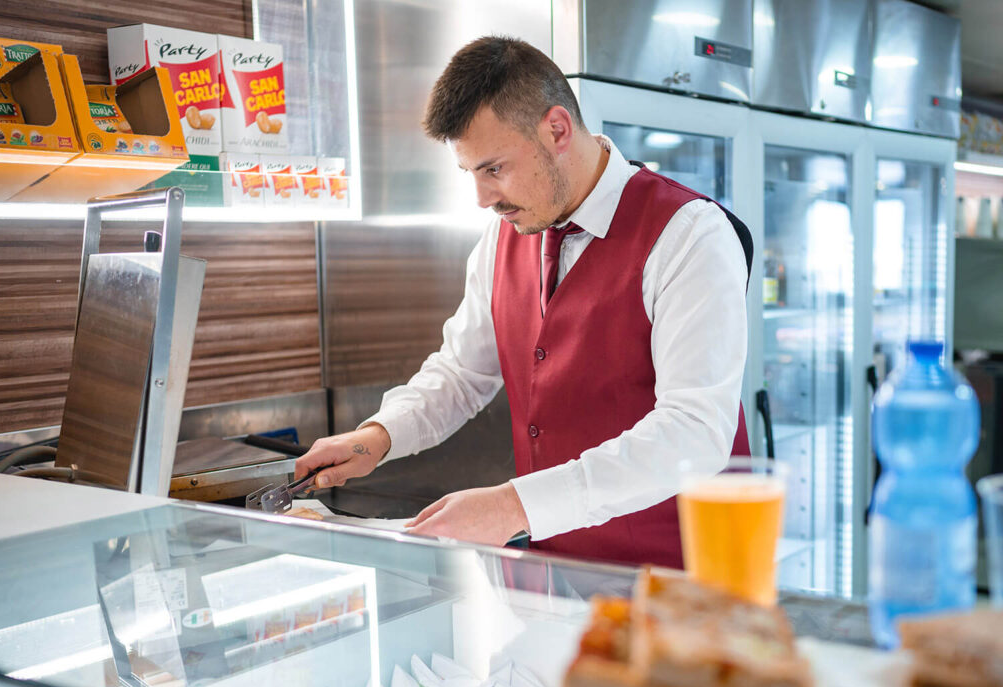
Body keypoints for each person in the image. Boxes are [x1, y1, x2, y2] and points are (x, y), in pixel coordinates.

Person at [294, 36, 751, 569]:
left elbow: (694, 433)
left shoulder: (689, 235)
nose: (483, 198)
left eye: (494, 169)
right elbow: (463, 373)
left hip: (683, 575)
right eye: (471, 174)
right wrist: (377, 437)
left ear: (557, 129)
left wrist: (512, 504)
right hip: (557, 569)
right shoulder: (504, 238)